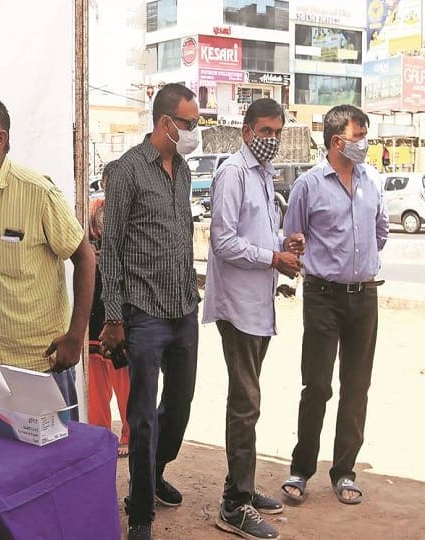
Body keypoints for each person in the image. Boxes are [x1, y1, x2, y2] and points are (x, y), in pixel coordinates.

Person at [0, 91, 95, 420]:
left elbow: (85, 257)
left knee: (51, 468)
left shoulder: (37, 192)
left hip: (39, 366)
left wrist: (75, 337)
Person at [100, 83, 201, 540]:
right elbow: (112, 247)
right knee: (139, 415)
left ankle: (156, 470)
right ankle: (140, 510)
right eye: (191, 124)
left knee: (178, 404)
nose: (195, 132)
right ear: (166, 123)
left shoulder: (182, 169)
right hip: (144, 313)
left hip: (183, 307)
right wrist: (114, 316)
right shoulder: (125, 172)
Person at [202, 98, 305, 540]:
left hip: (259, 305)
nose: (273, 140)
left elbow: (257, 235)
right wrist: (273, 258)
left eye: (277, 132)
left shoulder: (263, 176)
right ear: (246, 132)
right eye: (265, 131)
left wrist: (286, 243)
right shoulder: (232, 173)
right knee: (245, 405)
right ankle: (234, 504)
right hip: (239, 308)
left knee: (250, 402)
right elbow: (223, 241)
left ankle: (241, 487)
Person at [281, 104, 388, 506]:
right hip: (323, 298)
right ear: (336, 140)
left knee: (356, 388)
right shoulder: (308, 185)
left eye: (365, 136)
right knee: (318, 385)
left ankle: (344, 471)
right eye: (358, 137)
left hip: (365, 296)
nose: (363, 144)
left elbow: (380, 231)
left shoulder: (371, 181)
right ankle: (301, 468)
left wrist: (356, 263)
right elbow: (293, 237)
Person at [88, 160, 131, 458]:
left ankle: (129, 434)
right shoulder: (90, 213)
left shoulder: (134, 218)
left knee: (124, 374)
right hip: (93, 306)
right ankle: (100, 435)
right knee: (96, 376)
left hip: (122, 309)